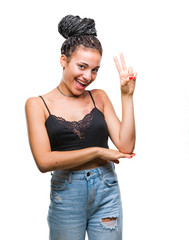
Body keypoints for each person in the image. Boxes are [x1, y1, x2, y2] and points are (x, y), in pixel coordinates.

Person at [25, 15, 137, 239]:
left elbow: (125, 146)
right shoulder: (37, 105)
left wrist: (127, 96)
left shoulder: (100, 97)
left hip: (106, 188)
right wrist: (97, 151)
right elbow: (44, 162)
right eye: (82, 66)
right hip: (67, 192)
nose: (88, 76)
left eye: (95, 70)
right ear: (63, 60)